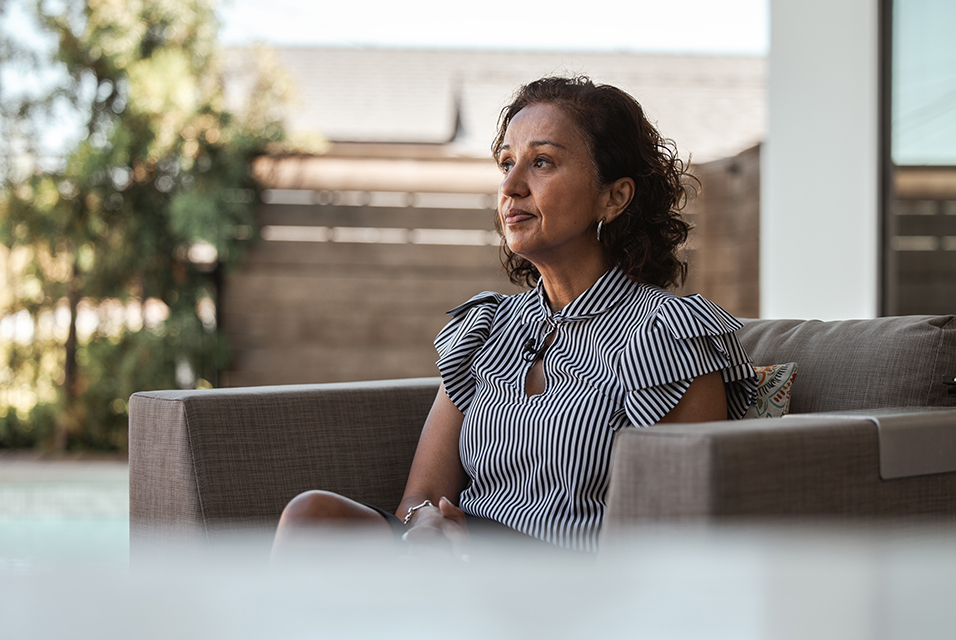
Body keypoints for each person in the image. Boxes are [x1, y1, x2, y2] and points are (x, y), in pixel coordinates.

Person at [273, 76, 757, 555]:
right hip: (457, 559)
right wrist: (425, 523)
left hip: (567, 580)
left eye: (542, 162)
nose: (510, 186)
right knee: (311, 516)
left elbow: (671, 537)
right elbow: (418, 497)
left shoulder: (668, 334)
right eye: (507, 163)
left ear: (615, 196)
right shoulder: (487, 328)